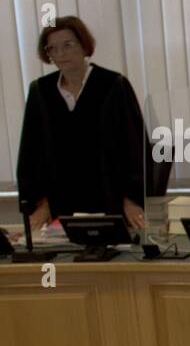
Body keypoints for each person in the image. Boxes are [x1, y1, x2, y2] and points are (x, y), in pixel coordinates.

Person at [16, 16, 146, 231]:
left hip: (110, 199)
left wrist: (131, 199)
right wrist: (39, 203)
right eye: (52, 48)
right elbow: (31, 152)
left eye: (67, 45)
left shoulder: (113, 85)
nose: (60, 54)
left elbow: (134, 147)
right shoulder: (41, 91)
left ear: (84, 45)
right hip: (58, 206)